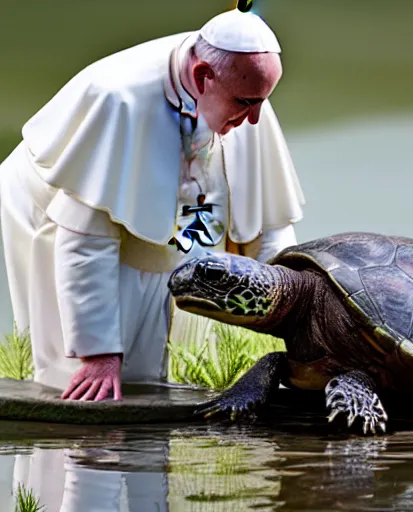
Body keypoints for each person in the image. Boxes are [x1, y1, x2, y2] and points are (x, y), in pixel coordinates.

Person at [0, 8, 305, 402]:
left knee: (156, 363)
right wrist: (99, 354)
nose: (256, 120)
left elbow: (269, 222)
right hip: (54, 214)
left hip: (167, 229)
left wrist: (297, 314)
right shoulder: (121, 101)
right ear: (201, 77)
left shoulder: (242, 93)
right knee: (84, 378)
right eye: (247, 102)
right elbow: (83, 238)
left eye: (263, 101)